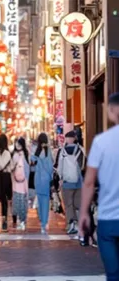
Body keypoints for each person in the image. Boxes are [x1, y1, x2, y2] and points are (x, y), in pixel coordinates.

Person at [80, 92, 119, 280]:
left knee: (113, 273)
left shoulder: (101, 142)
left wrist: (84, 213)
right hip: (108, 220)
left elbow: (89, 181)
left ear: (111, 112)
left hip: (108, 219)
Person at [55, 130, 85, 235]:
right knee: (78, 204)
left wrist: (60, 178)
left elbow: (59, 167)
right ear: (75, 138)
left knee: (68, 204)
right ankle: (79, 224)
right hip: (78, 182)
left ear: (68, 139)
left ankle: (71, 224)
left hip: (66, 182)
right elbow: (83, 166)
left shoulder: (62, 151)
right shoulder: (81, 150)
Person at [31, 132, 54, 234]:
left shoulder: (36, 151)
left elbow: (32, 162)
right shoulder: (48, 151)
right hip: (46, 179)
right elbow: (50, 166)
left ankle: (41, 220)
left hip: (38, 179)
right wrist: (51, 177)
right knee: (45, 201)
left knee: (39, 200)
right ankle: (44, 223)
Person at [0, 134, 12, 231]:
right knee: (2, 199)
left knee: (5, 199)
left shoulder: (7, 153)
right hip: (0, 177)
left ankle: (6, 218)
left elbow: (2, 164)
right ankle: (4, 218)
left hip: (5, 177)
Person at [11, 137, 29, 231]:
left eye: (19, 144)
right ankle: (17, 220)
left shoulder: (25, 154)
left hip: (23, 182)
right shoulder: (14, 154)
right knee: (17, 201)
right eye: (16, 144)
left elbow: (27, 168)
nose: (17, 145)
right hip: (15, 182)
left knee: (22, 201)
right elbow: (11, 167)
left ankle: (22, 220)